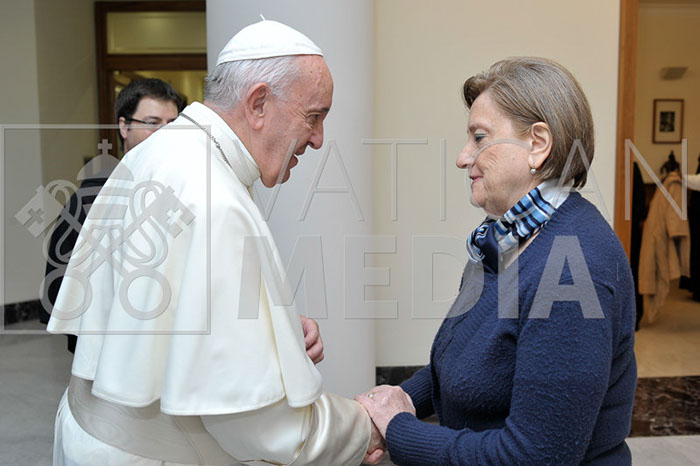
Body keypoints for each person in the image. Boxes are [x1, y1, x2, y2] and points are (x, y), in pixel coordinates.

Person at [47, 20, 384, 465]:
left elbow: (160, 304)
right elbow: (261, 427)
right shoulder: (214, 197)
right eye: (314, 116)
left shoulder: (162, 151)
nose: (319, 139)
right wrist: (366, 424)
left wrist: (269, 327)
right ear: (258, 103)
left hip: (89, 434)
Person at [357, 57, 637, 465]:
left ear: (537, 144)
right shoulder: (503, 239)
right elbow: (465, 365)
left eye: (480, 138)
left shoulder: (571, 268)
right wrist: (399, 400)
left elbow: (534, 457)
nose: (463, 157)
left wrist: (399, 429)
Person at [41, 78, 185, 353]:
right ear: (124, 126)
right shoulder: (94, 195)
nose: (165, 134)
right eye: (152, 123)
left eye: (173, 124)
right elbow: (62, 275)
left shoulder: (184, 189)